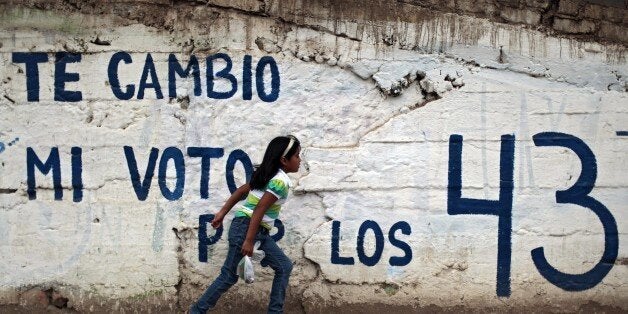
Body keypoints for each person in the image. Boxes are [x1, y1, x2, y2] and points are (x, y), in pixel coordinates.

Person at [190, 135, 301, 314]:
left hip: (255, 230)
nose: (299, 160)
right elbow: (259, 210)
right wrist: (248, 241)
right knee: (228, 276)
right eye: (296, 156)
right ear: (284, 160)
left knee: (284, 266)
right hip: (249, 228)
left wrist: (222, 213)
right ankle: (196, 311)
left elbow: (242, 190)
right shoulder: (280, 182)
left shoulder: (269, 174)